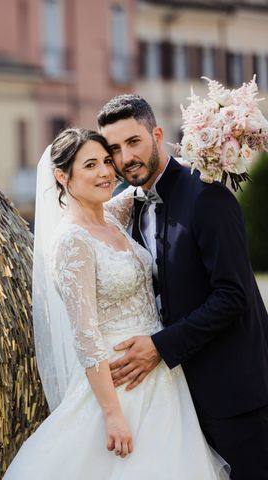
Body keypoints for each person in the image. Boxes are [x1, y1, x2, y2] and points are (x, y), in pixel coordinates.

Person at [4, 128, 227, 479]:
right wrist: (112, 413)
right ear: (62, 176)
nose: (106, 172)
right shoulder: (70, 241)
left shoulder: (112, 215)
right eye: (90, 165)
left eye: (107, 161)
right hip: (121, 383)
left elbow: (151, 182)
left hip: (163, 374)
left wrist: (214, 143)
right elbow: (86, 335)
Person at [98, 94, 268, 479]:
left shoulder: (206, 196)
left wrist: (160, 346)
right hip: (178, 401)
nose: (125, 158)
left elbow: (233, 295)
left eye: (133, 142)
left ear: (156, 134)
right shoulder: (133, 207)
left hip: (236, 395)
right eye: (114, 150)